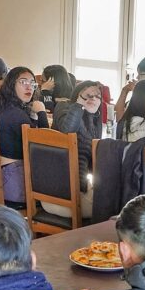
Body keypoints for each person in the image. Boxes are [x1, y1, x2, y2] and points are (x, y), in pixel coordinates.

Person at [0, 66, 49, 205]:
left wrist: (32, 116)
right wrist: (41, 113)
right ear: (11, 85)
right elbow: (44, 146)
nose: (29, 87)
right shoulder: (16, 114)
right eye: (23, 82)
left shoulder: (2, 106)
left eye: (32, 83)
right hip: (13, 186)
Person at [49, 80, 104, 218]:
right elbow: (67, 131)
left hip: (74, 192)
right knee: (117, 206)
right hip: (59, 196)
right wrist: (80, 103)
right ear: (77, 95)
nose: (93, 99)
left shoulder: (92, 120)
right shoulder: (65, 107)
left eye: (98, 96)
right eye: (88, 94)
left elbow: (94, 165)